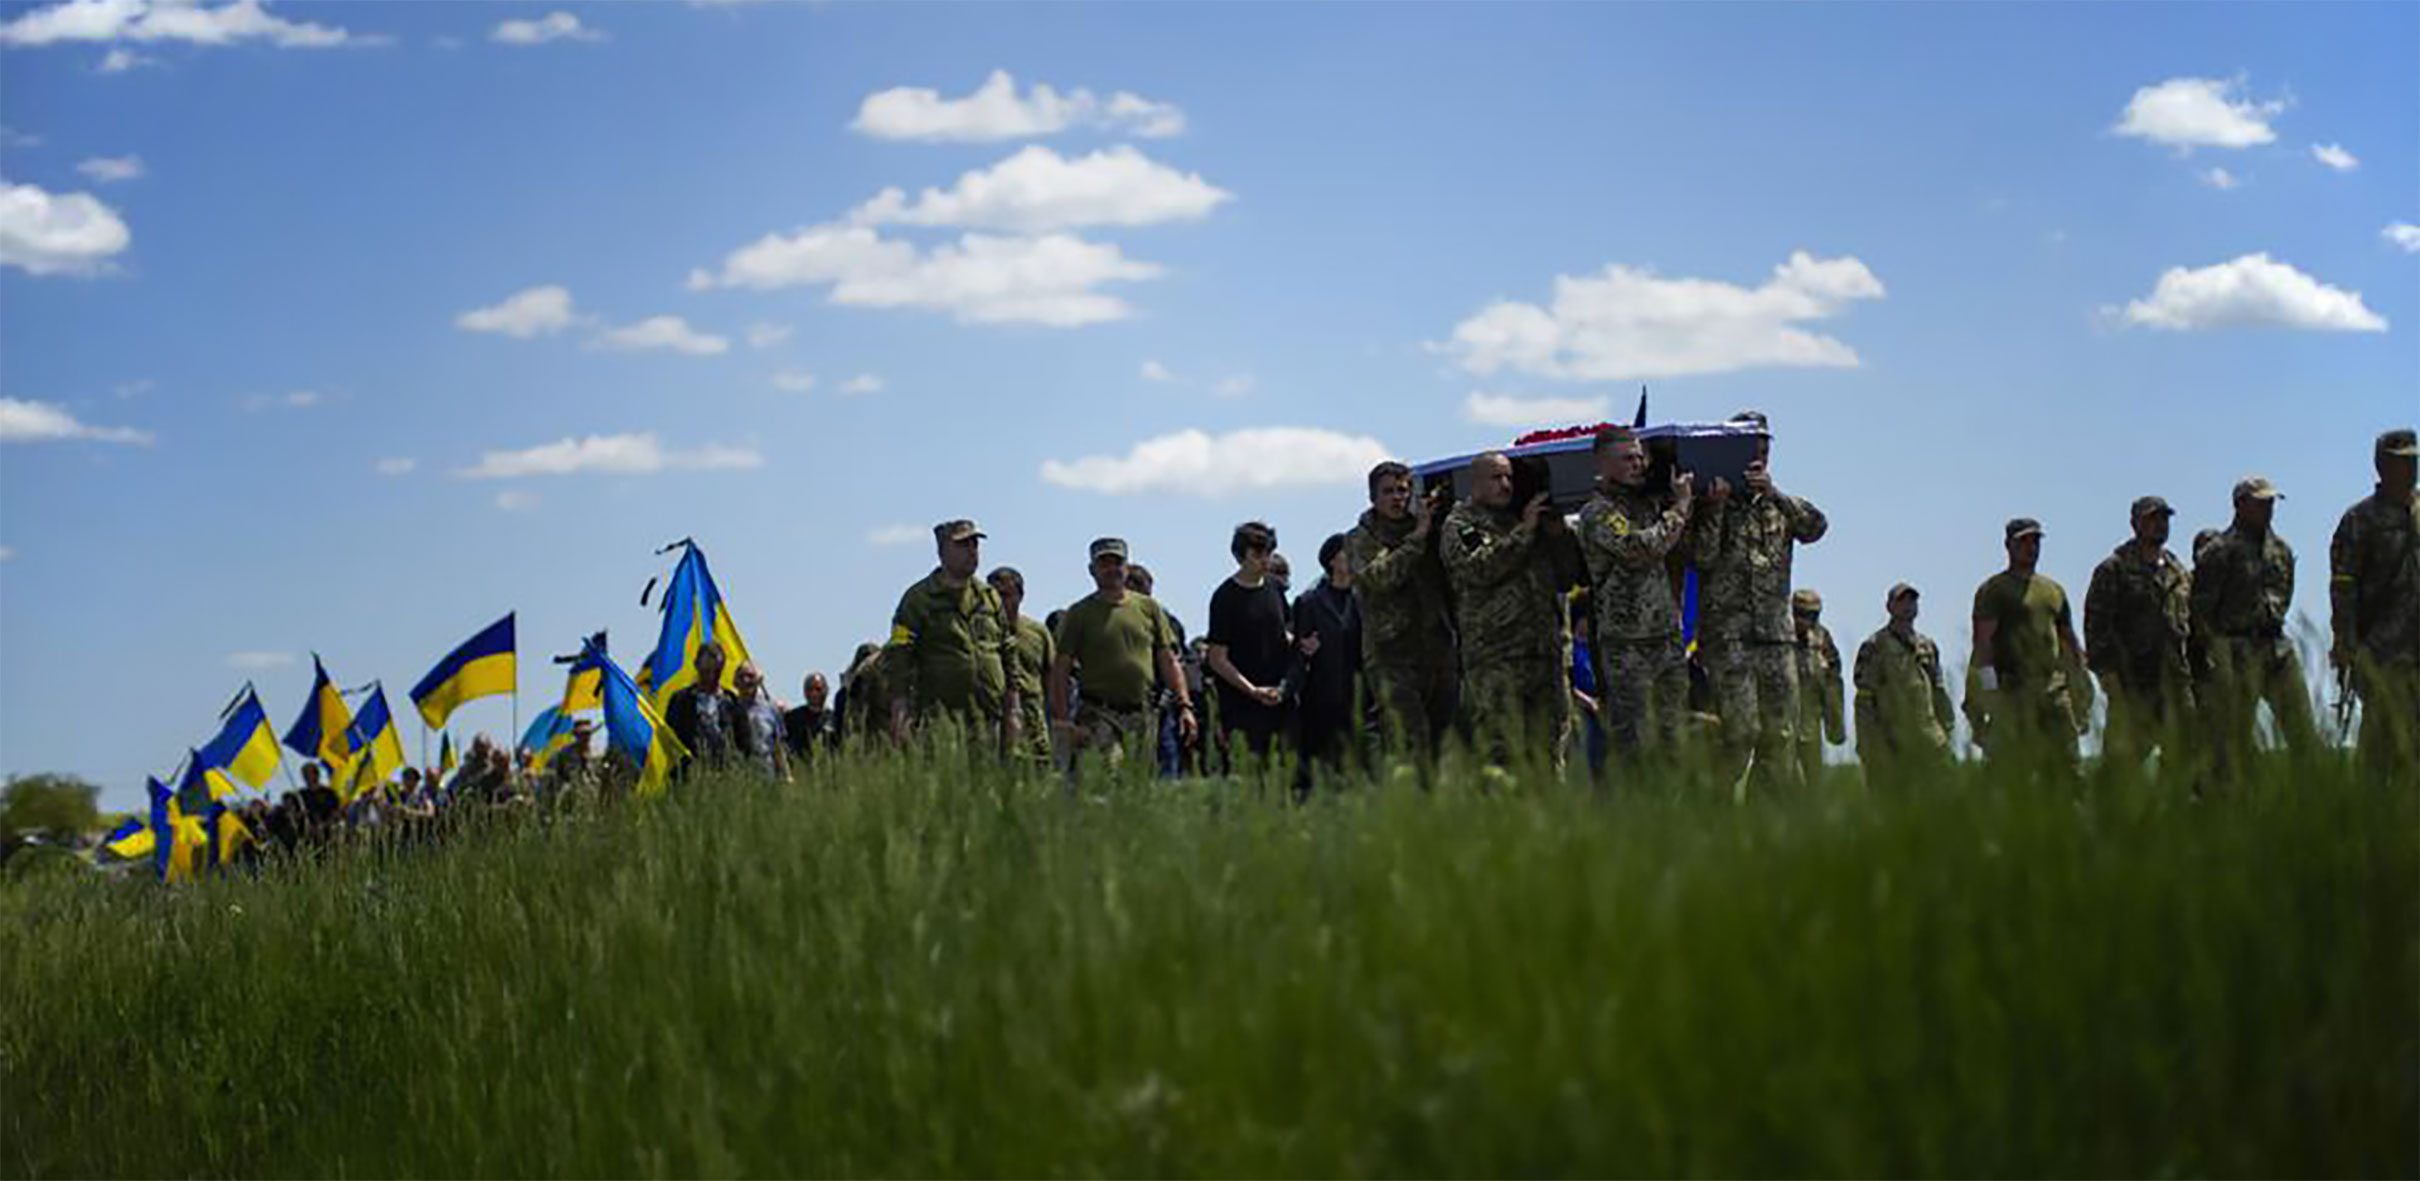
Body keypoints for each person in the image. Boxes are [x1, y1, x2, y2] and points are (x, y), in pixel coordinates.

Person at [1688, 412, 1828, 792]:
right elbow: (1700, 557)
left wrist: (1775, 494)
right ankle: (1710, 802)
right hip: (1728, 635)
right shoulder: (1711, 501)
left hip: (1776, 635)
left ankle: (1764, 819)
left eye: (1764, 449)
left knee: (1781, 735)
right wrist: (1715, 508)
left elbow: (1816, 527)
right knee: (1741, 730)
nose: (1759, 456)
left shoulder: (1779, 505)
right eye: (1751, 448)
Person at [1442, 451, 1581, 772]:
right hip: (1498, 659)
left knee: (1550, 753)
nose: (1505, 485)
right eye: (1496, 478)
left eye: (1509, 478)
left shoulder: (1528, 518)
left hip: (1546, 656)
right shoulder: (1462, 524)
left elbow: (1567, 577)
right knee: (1502, 751)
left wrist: (1558, 536)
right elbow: (1480, 568)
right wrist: (1525, 531)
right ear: (1475, 483)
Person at [1575, 426, 1695, 765]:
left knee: (1673, 741)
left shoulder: (1652, 506)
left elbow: (1682, 548)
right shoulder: (1597, 512)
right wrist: (1681, 508)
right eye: (1628, 458)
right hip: (1627, 644)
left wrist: (1692, 505)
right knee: (1635, 745)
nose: (1638, 464)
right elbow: (1640, 547)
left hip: (1665, 640)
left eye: (1641, 457)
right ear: (1603, 464)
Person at [2193, 477, 2319, 768]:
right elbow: (2201, 611)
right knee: (2231, 743)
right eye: (2261, 502)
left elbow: (2285, 592)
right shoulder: (2219, 551)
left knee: (2304, 734)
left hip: (2277, 647)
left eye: (2271, 502)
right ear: (2240, 505)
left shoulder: (2281, 551)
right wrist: (2213, 656)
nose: (2268, 508)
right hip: (2235, 651)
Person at [1049, 538, 1197, 773]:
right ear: (1092, 570)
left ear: (1126, 568)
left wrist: (1185, 706)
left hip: (1142, 713)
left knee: (1139, 784)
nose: (1111, 569)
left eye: (1117, 563)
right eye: (1104, 563)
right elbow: (1061, 669)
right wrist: (1063, 720)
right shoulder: (1078, 614)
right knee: (1107, 775)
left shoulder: (1149, 608)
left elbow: (1168, 659)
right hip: (1099, 713)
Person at [1345, 461, 1460, 761]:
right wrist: (1418, 537)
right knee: (1409, 742)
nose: (1397, 498)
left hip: (1437, 651)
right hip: (1391, 656)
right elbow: (1381, 576)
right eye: (1388, 492)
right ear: (1373, 497)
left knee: (1441, 744)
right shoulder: (1360, 538)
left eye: (1403, 491)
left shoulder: (1425, 531)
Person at [1969, 518, 2089, 782]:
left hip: (2053, 692)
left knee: (2068, 773)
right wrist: (1988, 691)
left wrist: (2081, 686)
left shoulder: (2053, 590)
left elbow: (2068, 640)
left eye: (2035, 541)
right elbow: (1982, 644)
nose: (2030, 547)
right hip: (2013, 693)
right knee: (2007, 775)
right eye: (2023, 541)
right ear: (2008, 546)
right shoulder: (1994, 590)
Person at [884, 519, 1018, 755]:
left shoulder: (988, 597)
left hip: (987, 718)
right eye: (963, 545)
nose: (972, 552)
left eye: (975, 544)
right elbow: (898, 656)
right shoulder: (918, 600)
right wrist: (900, 708)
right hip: (940, 721)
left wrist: (1013, 707)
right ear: (942, 551)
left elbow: (1007, 650)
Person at [2329, 428, 2419, 775]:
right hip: (2383, 650)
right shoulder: (2360, 520)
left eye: (2414, 462)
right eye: (2402, 463)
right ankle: (2367, 820)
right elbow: (2343, 587)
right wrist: (2345, 643)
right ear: (2382, 466)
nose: (2410, 470)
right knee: (2381, 746)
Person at [2083, 496, 2195, 772]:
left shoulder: (2177, 571)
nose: (2159, 525)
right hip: (2132, 686)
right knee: (2121, 773)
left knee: (2186, 768)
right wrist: (2108, 678)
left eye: (2164, 519)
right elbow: (2096, 629)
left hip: (2175, 684)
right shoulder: (2114, 569)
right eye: (2152, 519)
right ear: (2135, 524)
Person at [1205, 521, 1294, 768]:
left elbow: (1281, 632)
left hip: (1279, 696)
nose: (1264, 560)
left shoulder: (1275, 588)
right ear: (1240, 555)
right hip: (1242, 704)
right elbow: (1217, 657)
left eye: (1268, 553)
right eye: (1257, 554)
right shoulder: (1225, 597)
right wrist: (1252, 690)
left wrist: (1302, 646)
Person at [1853, 583, 1957, 790]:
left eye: (1912, 600)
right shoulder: (1875, 646)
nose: (1908, 606)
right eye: (1901, 601)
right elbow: (1864, 698)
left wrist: (1946, 728)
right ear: (1889, 607)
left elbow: (1938, 688)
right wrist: (1867, 745)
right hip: (1889, 740)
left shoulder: (1927, 646)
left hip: (1928, 739)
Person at [1290, 532, 1364, 792]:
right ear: (1332, 561)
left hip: (1358, 695)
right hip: (1320, 696)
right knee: (1320, 768)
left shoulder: (1363, 599)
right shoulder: (1309, 602)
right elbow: (1298, 654)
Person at [1126, 563, 1194, 776]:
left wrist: (1172, 697)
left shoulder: (1166, 621)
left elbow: (1177, 661)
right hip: (1123, 704)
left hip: (1160, 704)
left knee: (1165, 759)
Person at [988, 567, 1058, 768]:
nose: (1000, 603)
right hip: (995, 719)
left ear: (1020, 596)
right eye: (995, 596)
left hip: (1032, 719)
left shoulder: (1037, 633)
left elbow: (1050, 677)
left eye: (1006, 596)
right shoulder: (981, 633)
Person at [1790, 590, 1846, 785]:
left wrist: (1836, 724)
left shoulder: (1822, 638)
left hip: (1810, 723)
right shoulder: (1778, 636)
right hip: (1780, 724)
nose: (1807, 620)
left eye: (1813, 616)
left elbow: (1833, 680)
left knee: (1813, 781)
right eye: (1802, 614)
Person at [664, 641, 743, 774]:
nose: (711, 676)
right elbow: (669, 738)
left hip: (724, 775)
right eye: (706, 671)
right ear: (696, 665)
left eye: (716, 671)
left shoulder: (731, 701)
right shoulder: (680, 700)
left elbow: (742, 741)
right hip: (688, 774)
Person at [731, 662, 793, 783]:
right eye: (741, 676)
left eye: (750, 676)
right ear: (736, 682)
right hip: (740, 778)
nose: (746, 680)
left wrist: (787, 776)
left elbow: (778, 746)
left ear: (759, 680)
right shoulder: (730, 709)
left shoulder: (771, 709)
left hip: (767, 774)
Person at [783, 673, 836, 763]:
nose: (814, 693)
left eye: (818, 689)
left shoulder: (834, 718)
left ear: (826, 690)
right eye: (810, 689)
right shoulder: (793, 717)